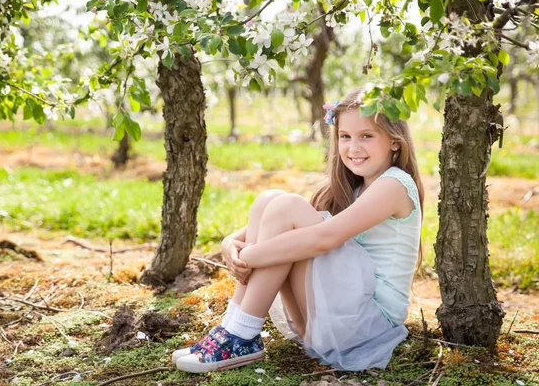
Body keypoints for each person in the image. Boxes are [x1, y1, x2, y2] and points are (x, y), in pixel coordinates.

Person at [172, 86, 425, 373]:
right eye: (345, 136)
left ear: (394, 141)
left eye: (366, 136)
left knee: (288, 206)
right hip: (328, 321)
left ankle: (242, 333)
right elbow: (270, 220)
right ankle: (233, 328)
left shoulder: (394, 184)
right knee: (270, 200)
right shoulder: (350, 187)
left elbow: (324, 238)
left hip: (367, 325)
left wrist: (249, 257)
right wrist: (230, 243)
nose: (353, 148)